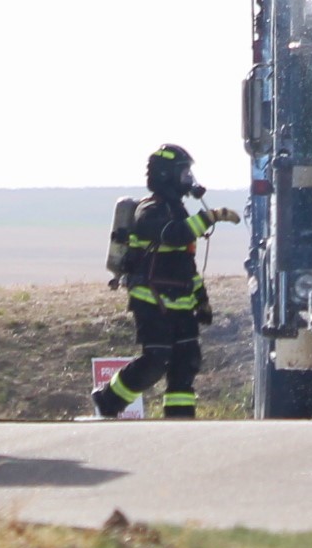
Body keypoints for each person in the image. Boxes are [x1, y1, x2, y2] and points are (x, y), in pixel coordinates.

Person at [94, 144, 238, 419]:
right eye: (183, 173)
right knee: (155, 360)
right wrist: (212, 216)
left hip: (181, 302)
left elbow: (187, 263)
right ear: (165, 175)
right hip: (152, 300)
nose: (189, 179)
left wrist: (202, 300)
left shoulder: (178, 209)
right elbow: (173, 235)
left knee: (186, 362)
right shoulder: (150, 210)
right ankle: (107, 401)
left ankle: (179, 419)